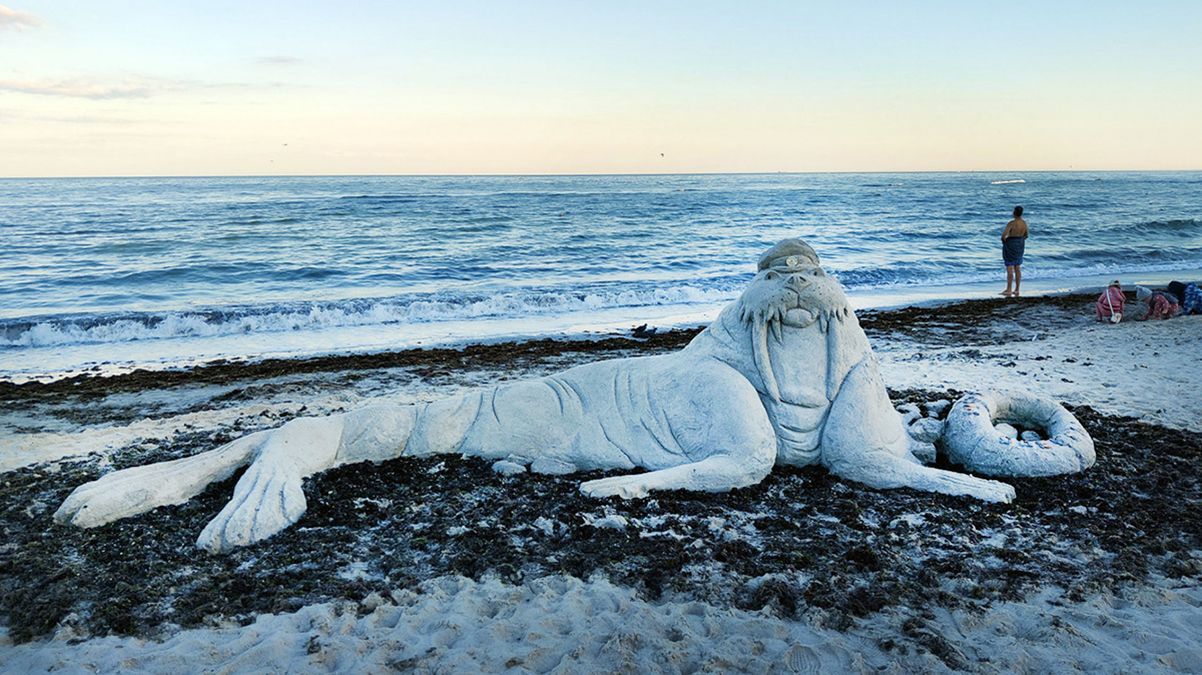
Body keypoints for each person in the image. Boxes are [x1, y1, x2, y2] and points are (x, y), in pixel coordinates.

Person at [1000, 206, 1028, 296]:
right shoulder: (1024, 223)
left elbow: (1003, 236)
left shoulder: (1011, 223)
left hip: (1011, 244)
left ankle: (1008, 289)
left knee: (1009, 267)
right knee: (1017, 267)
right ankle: (1017, 289)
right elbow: (1026, 235)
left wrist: (1005, 242)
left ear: (1014, 213)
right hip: (1020, 244)